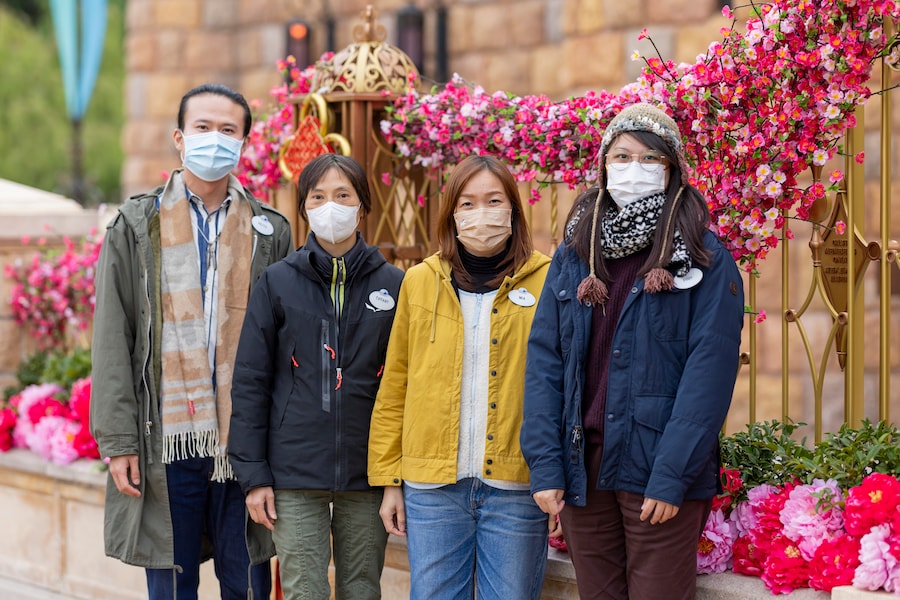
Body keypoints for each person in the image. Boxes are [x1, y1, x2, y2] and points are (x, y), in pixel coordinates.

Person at [520, 103, 745, 599]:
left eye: (649, 158)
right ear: (604, 166)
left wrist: (672, 475)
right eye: (621, 156)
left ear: (672, 169)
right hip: (584, 470)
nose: (633, 168)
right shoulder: (575, 255)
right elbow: (545, 364)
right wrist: (546, 465)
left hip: (657, 472)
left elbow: (707, 376)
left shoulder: (703, 258)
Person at [90, 83, 293, 600]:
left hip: (243, 441)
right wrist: (119, 442)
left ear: (243, 143)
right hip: (166, 435)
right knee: (173, 582)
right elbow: (113, 336)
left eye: (228, 130)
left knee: (245, 582)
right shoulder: (136, 225)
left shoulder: (271, 232)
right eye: (202, 127)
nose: (214, 138)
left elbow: (285, 348)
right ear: (179, 138)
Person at [368, 154, 552, 600]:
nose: (480, 214)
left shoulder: (546, 279)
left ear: (514, 210)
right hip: (432, 488)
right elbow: (396, 384)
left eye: (494, 201)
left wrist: (558, 479)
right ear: (451, 213)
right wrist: (390, 479)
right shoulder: (419, 280)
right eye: (467, 203)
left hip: (518, 485)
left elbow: (561, 387)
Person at [229, 153, 404, 600]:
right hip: (293, 474)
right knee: (303, 591)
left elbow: (406, 385)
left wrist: (395, 477)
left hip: (368, 473)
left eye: (343, 195)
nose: (331, 207)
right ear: (304, 207)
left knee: (361, 590)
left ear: (362, 207)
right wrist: (254, 475)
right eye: (318, 196)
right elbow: (250, 381)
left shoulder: (395, 284)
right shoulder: (277, 282)